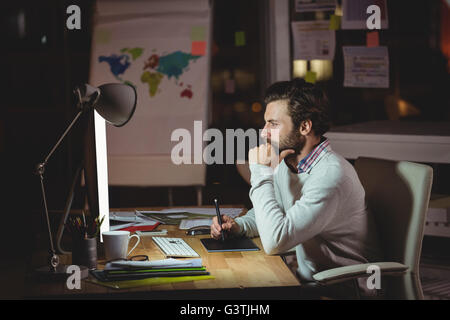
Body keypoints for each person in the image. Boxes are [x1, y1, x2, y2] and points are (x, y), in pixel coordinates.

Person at [210, 78, 382, 298]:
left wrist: (261, 172)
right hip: (311, 282)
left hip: (346, 290)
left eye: (273, 124)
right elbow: (276, 214)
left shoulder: (331, 176)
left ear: (305, 126)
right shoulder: (290, 163)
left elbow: (275, 241)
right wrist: (239, 226)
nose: (264, 133)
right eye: (265, 123)